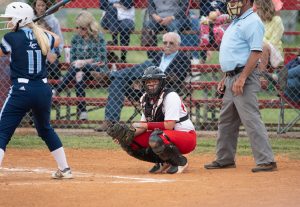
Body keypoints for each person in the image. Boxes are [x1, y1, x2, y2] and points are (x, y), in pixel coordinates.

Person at [0, 2, 72, 179]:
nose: (8, 22)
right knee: (45, 129)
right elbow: (56, 38)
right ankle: (65, 169)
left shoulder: (10, 37)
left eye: (11, 19)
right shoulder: (42, 36)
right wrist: (35, 28)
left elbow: (3, 52)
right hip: (42, 90)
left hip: (21, 91)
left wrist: (30, 27)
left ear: (20, 19)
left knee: (2, 131)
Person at [204, 0, 277, 172]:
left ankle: (266, 160)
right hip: (232, 77)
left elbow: (256, 52)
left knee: (250, 119)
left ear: (246, 1)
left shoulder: (252, 21)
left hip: (244, 77)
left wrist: (242, 78)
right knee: (226, 121)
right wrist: (226, 77)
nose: (230, 3)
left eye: (234, 0)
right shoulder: (237, 20)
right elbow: (234, 53)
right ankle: (225, 159)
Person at [106, 66, 196, 174]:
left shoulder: (170, 96)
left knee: (156, 138)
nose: (151, 85)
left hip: (186, 136)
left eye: (154, 81)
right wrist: (127, 135)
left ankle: (180, 162)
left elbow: (169, 125)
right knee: (129, 142)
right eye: (148, 82)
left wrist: (146, 126)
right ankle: (165, 160)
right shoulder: (144, 99)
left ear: (161, 82)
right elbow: (143, 125)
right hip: (165, 136)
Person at [95, 32, 191, 131]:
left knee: (147, 65)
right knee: (119, 81)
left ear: (178, 45)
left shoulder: (183, 58)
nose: (167, 45)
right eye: (165, 42)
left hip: (164, 93)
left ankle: (109, 75)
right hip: (145, 90)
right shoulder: (159, 56)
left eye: (171, 43)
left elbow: (178, 77)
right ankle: (111, 122)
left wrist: (156, 75)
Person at [52, 10, 108, 120]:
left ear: (89, 27)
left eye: (82, 28)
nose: (79, 31)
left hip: (95, 69)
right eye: (77, 28)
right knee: (79, 75)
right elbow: (72, 58)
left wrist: (84, 62)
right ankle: (83, 111)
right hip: (79, 70)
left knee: (79, 68)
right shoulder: (76, 38)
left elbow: (101, 58)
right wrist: (79, 63)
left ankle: (56, 90)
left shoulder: (98, 37)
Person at [254, 0, 284, 71]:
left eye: (257, 9)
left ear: (264, 8)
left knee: (264, 47)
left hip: (274, 49)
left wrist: (261, 41)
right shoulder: (257, 20)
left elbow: (274, 41)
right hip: (258, 46)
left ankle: (261, 75)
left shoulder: (277, 20)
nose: (255, 11)